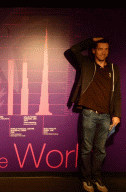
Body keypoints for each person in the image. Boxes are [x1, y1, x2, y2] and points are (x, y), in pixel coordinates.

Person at [68, 38, 121, 192]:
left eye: (106, 49)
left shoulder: (113, 69)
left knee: (100, 150)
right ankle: (86, 179)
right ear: (94, 50)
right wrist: (91, 40)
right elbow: (73, 50)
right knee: (86, 148)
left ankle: (97, 177)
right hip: (89, 114)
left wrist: (116, 115)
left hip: (106, 116)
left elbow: (117, 93)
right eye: (100, 48)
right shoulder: (86, 64)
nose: (103, 52)